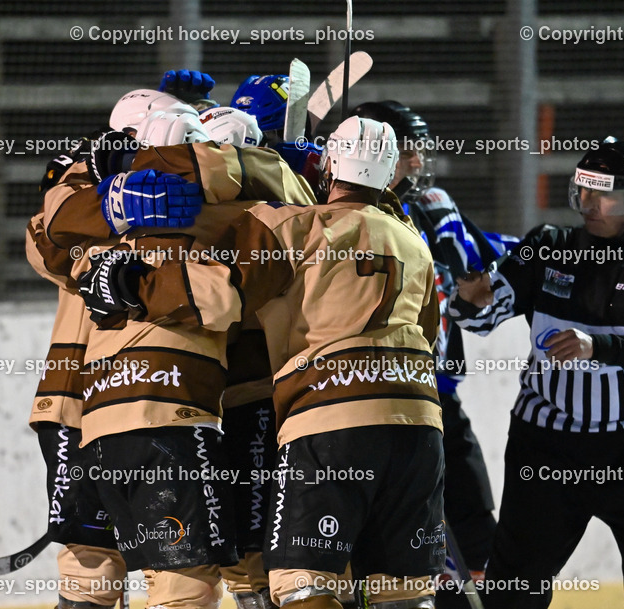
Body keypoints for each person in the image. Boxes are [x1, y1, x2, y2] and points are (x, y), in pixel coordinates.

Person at [77, 116, 446, 609]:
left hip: (329, 420)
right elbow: (432, 330)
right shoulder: (412, 240)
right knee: (403, 594)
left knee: (303, 585)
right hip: (419, 425)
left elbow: (217, 295)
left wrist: (130, 285)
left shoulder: (295, 224)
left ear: (330, 164)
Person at [35, 100, 316, 609]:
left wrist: (110, 204)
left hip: (91, 410)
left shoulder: (92, 220)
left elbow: (48, 239)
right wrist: (282, 170)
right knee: (201, 576)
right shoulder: (243, 218)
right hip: (187, 409)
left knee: (93, 567)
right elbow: (228, 287)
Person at [448, 137, 624, 609]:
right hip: (545, 445)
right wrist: (468, 290)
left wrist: (596, 346)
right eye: (583, 189)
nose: (589, 202)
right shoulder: (547, 247)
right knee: (513, 591)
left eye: (604, 192)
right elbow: (480, 317)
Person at [350, 102, 516, 603]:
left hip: (437, 397)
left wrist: (555, 250)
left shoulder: (433, 207)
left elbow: (489, 256)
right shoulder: (346, 214)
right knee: (387, 534)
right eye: (407, 151)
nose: (419, 163)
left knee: (477, 529)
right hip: (370, 401)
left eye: (420, 149)